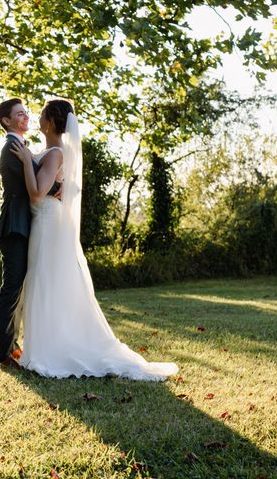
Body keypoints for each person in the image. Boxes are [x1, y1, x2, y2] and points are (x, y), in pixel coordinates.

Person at [10, 99, 178, 380]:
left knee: (44, 282)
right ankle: (42, 345)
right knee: (45, 282)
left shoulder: (53, 153)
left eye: (41, 114)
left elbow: (38, 193)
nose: (36, 118)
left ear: (50, 122)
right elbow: (65, 188)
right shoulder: (54, 152)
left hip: (48, 223)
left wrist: (28, 162)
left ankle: (48, 351)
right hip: (47, 222)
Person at [0, 98, 60, 368]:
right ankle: (2, 352)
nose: (25, 117)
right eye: (19, 114)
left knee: (18, 288)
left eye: (25, 113)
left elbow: (39, 175)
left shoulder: (21, 147)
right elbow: (38, 182)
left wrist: (57, 183)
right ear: (7, 121)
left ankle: (11, 346)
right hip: (15, 225)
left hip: (23, 224)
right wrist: (57, 185)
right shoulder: (12, 146)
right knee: (12, 287)